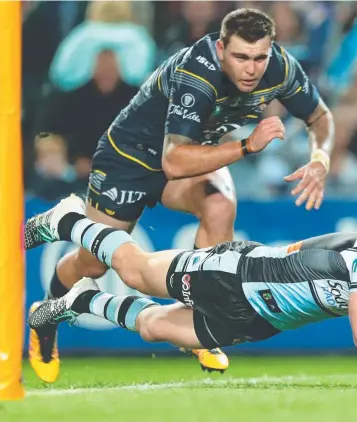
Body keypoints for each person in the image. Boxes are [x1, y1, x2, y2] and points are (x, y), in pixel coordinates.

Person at [29, 8, 335, 382]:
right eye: (240, 57)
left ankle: (196, 322)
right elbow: (172, 161)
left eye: (260, 58)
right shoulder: (198, 71)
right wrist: (246, 148)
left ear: (271, 50)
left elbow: (320, 117)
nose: (251, 69)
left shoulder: (282, 68)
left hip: (195, 153)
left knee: (220, 203)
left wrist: (320, 158)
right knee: (92, 264)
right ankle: (47, 313)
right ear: (222, 49)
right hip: (131, 157)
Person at [26, 192, 357, 387]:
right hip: (234, 274)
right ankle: (70, 218)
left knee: (152, 327)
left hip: (258, 318)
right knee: (138, 271)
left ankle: (78, 302)